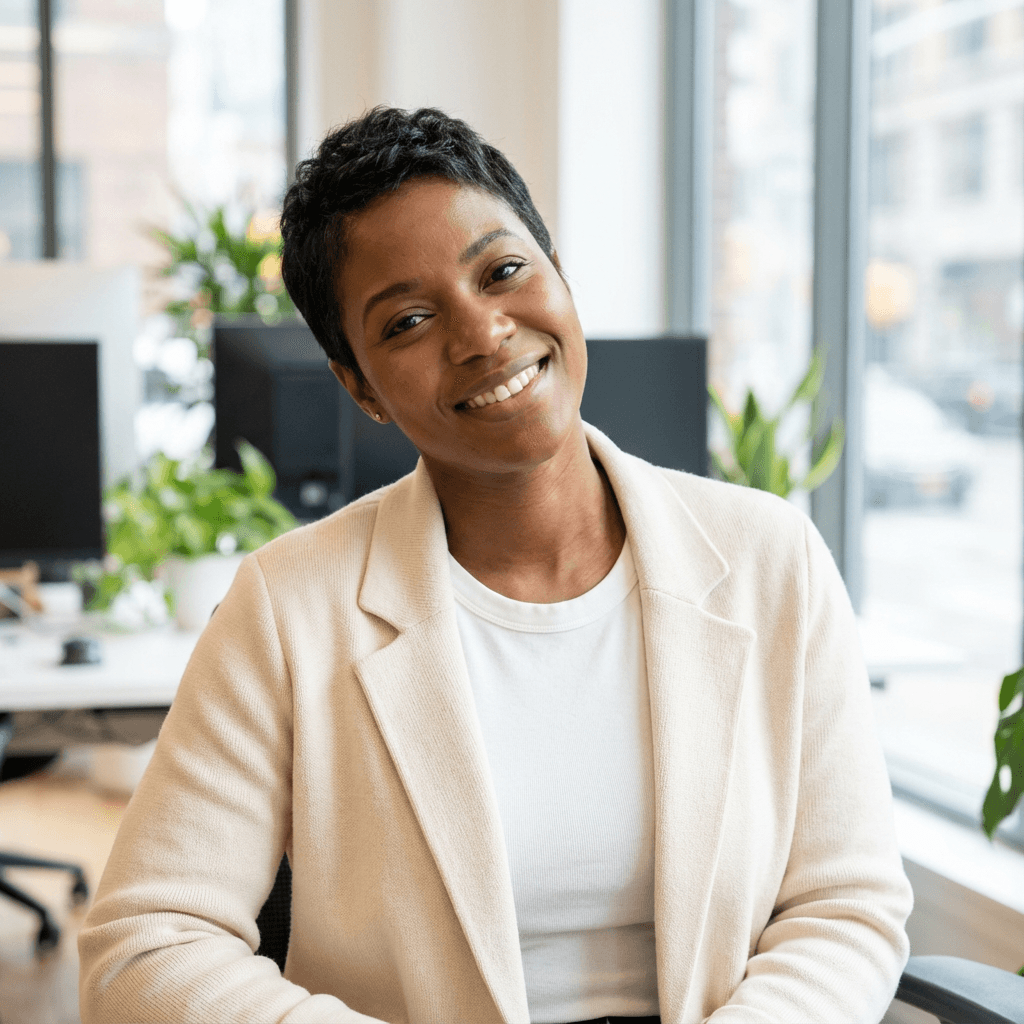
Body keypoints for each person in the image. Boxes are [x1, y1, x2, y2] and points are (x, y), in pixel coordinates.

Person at [78, 106, 913, 1024]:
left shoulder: (768, 556)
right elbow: (143, 949)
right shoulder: (288, 607)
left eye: (504, 271)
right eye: (407, 321)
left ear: (560, 275)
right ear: (360, 386)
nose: (482, 335)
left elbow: (847, 903)